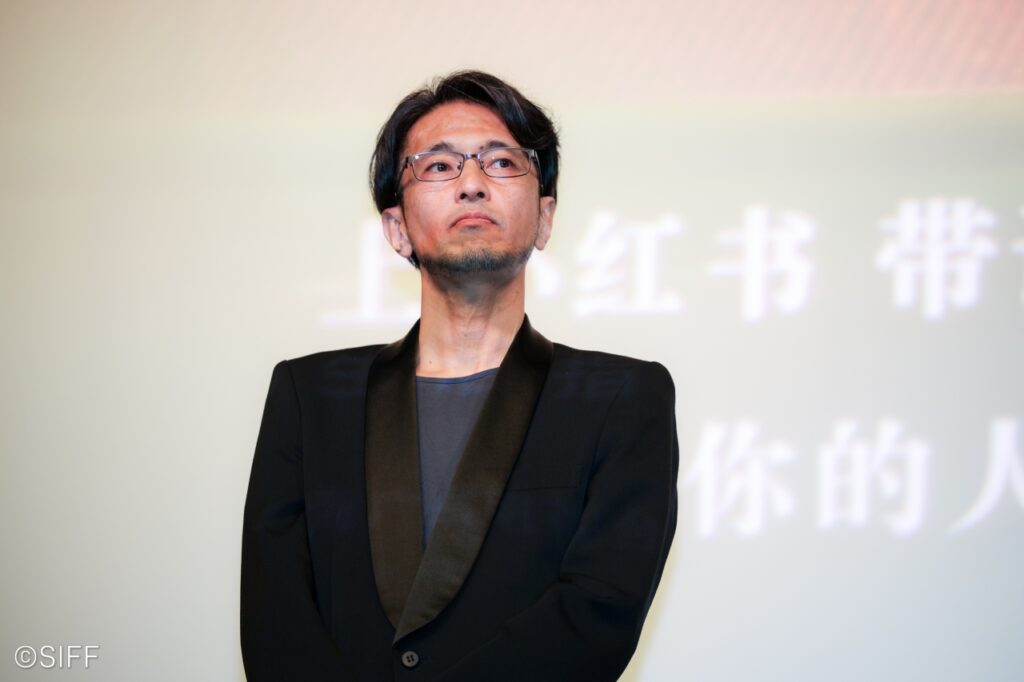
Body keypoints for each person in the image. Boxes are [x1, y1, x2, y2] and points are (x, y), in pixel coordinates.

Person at [241, 70, 678, 681]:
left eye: (502, 163)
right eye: (440, 167)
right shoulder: (309, 396)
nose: (472, 184)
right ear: (396, 228)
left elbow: (598, 611)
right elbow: (276, 620)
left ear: (545, 218)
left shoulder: (622, 398)